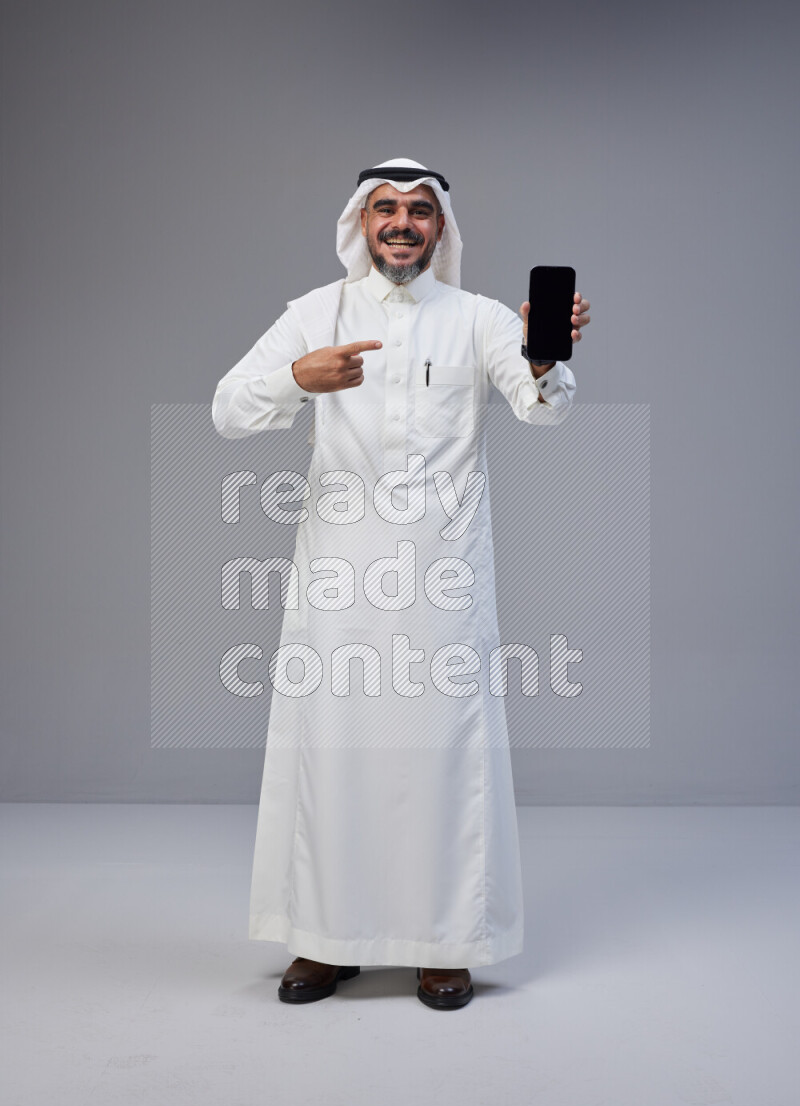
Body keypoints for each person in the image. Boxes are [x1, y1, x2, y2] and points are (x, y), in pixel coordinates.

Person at [212, 157, 591, 1010]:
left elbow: (544, 409)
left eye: (420, 211)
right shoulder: (315, 313)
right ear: (360, 222)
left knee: (442, 760)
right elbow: (227, 407)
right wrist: (293, 382)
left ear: (442, 228)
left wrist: (545, 357)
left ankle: (441, 944)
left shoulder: (482, 318)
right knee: (333, 754)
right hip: (339, 580)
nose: (402, 223)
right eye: (385, 209)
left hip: (442, 582)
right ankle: (323, 941)